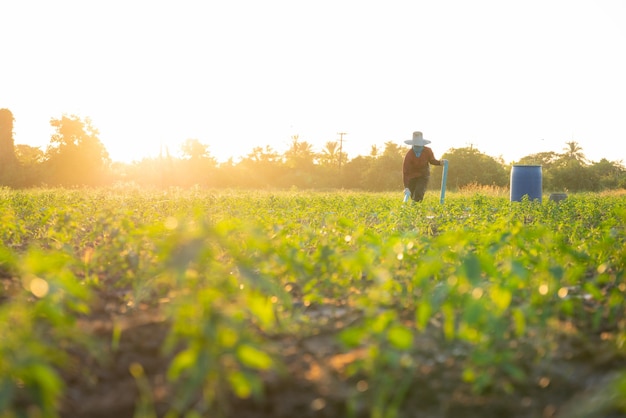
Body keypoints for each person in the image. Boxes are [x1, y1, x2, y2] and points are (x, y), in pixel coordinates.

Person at [402, 131, 445, 202]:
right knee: (412, 195)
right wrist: (406, 187)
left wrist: (440, 163)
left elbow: (432, 161)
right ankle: (415, 209)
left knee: (419, 192)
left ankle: (417, 209)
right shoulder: (409, 155)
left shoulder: (428, 151)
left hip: (423, 176)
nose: (417, 147)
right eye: (416, 146)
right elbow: (405, 172)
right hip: (412, 178)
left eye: (419, 146)